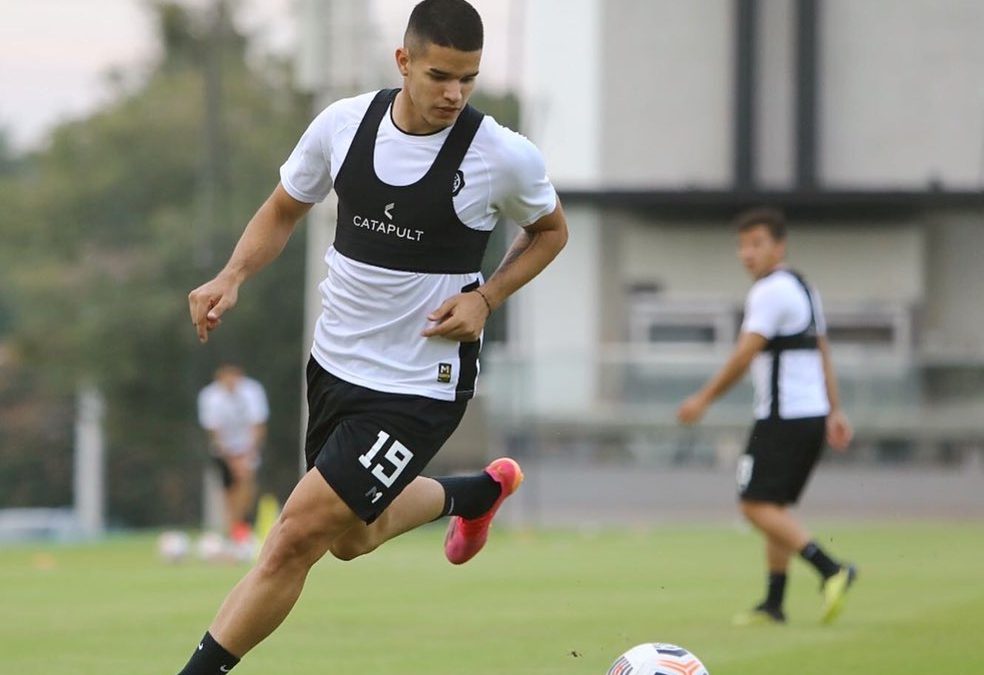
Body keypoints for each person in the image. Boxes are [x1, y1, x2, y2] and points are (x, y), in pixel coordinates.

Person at [179, 1, 568, 672]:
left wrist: (486, 297)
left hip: (419, 383)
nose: (454, 94)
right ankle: (473, 494)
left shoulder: (500, 154)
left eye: (468, 78)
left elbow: (551, 231)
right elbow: (283, 208)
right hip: (334, 368)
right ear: (403, 61)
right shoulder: (343, 125)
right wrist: (232, 274)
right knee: (350, 538)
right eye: (440, 75)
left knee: (294, 536)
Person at [677, 207, 856, 626]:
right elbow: (822, 351)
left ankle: (831, 568)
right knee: (774, 506)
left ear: (780, 245)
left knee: (754, 506)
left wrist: (703, 399)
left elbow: (744, 355)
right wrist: (834, 409)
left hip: (783, 417)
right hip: (810, 415)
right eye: (742, 245)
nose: (747, 253)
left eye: (756, 243)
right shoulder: (804, 287)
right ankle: (774, 603)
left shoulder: (769, 291)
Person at [197, 363, 268, 545]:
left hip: (248, 448)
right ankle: (235, 529)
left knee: (246, 483)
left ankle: (237, 527)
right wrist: (230, 459)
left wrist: (248, 454)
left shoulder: (252, 391)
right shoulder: (209, 396)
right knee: (229, 491)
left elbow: (258, 424)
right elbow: (214, 431)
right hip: (224, 451)